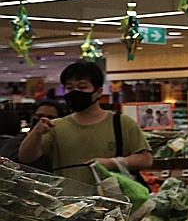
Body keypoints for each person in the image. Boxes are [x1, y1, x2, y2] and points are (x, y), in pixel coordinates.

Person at [17, 62, 152, 189]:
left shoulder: (121, 122)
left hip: (114, 200)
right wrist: (36, 133)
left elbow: (146, 159)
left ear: (98, 91)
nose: (75, 92)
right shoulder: (55, 126)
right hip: (69, 201)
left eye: (82, 87)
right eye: (69, 88)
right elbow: (26, 157)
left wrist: (112, 163)